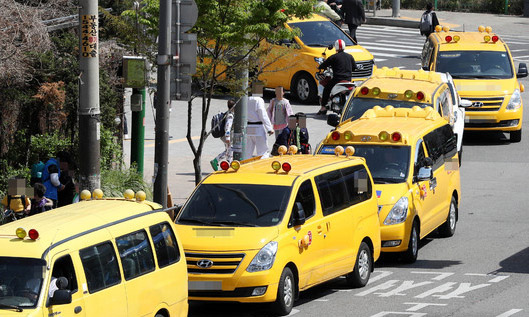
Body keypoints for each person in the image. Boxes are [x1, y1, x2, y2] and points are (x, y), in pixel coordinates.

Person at [317, 39, 356, 115]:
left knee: (327, 89)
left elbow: (323, 65)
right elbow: (354, 67)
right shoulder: (350, 56)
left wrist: (319, 67)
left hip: (337, 79)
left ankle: (323, 107)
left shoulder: (333, 57)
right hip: (348, 80)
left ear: (336, 47)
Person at [210, 99, 236, 171]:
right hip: (227, 136)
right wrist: (227, 138)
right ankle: (221, 161)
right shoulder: (230, 115)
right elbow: (227, 127)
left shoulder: (228, 113)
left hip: (226, 136)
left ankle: (221, 161)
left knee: (228, 150)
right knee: (230, 150)